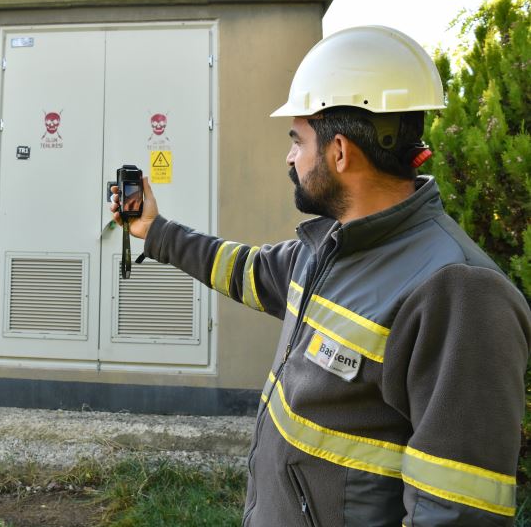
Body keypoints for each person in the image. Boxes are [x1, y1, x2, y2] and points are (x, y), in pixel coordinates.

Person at [111, 26, 530, 526]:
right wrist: (153, 230)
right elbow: (247, 270)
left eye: (297, 140)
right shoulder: (332, 244)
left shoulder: (459, 291)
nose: (290, 156)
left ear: (339, 152)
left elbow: (457, 513)